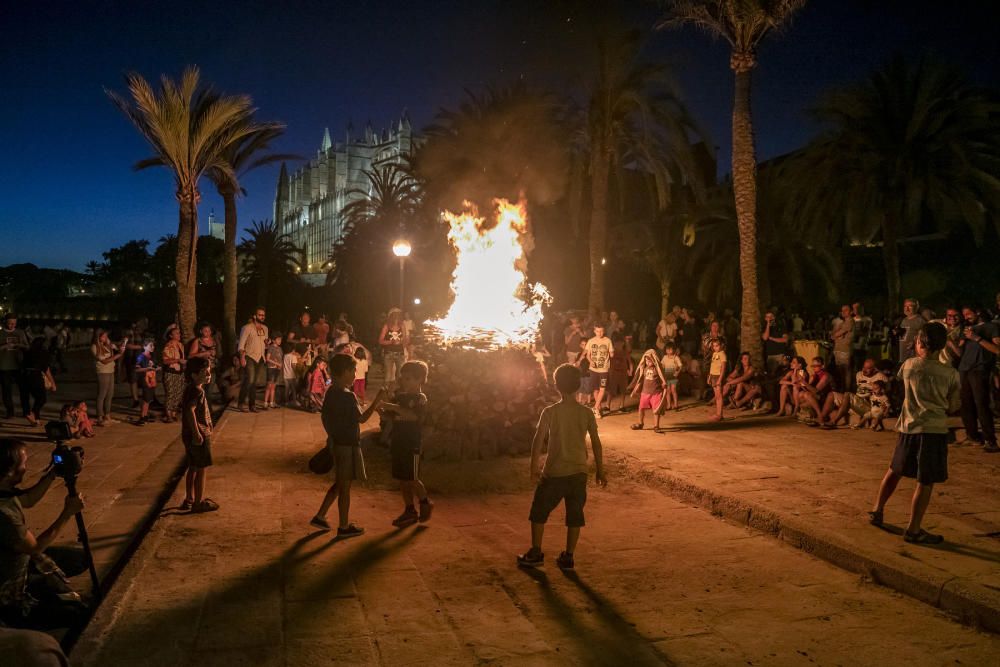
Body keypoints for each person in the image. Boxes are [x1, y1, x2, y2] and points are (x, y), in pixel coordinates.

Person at [869, 323, 960, 545]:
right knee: (925, 480)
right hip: (933, 430)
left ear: (919, 343)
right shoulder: (950, 374)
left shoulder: (909, 365)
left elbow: (902, 383)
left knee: (894, 470)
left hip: (909, 428)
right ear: (942, 346)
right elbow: (953, 406)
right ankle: (913, 528)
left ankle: (877, 510)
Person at [517, 364, 607, 570]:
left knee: (539, 511)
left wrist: (534, 468)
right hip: (578, 473)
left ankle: (536, 552)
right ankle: (568, 556)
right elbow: (596, 442)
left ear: (556, 385)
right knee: (575, 514)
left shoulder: (550, 412)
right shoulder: (586, 413)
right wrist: (600, 469)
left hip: (555, 473)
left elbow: (537, 441)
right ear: (578, 386)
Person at [0, 438, 88, 631]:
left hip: (21, 562)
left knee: (81, 559)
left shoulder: (3, 491)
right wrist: (67, 513)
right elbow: (36, 548)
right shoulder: (4, 515)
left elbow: (29, 499)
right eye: (23, 464)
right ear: (8, 472)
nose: (26, 468)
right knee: (79, 614)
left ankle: (44, 588)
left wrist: (52, 475)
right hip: (9, 594)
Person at [310, 354, 386, 537]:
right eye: (353, 370)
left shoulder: (331, 393)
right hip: (347, 446)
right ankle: (343, 526)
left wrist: (331, 436)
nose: (354, 374)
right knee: (344, 488)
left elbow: (325, 417)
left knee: (340, 483)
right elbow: (362, 418)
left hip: (337, 443)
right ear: (344, 372)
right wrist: (377, 401)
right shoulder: (347, 395)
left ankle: (320, 516)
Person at [380, 360, 433, 527]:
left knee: (412, 477)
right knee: (402, 478)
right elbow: (393, 417)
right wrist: (381, 410)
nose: (404, 381)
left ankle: (425, 502)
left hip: (412, 443)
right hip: (399, 441)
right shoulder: (400, 397)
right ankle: (409, 510)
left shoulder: (420, 399)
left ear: (420, 380)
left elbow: (413, 416)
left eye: (409, 378)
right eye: (403, 378)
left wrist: (391, 406)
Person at [953, 307, 999, 452]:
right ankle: (973, 437)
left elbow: (997, 350)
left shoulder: (992, 327)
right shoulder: (967, 328)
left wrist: (977, 338)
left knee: (981, 404)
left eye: (968, 314)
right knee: (966, 404)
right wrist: (952, 343)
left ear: (978, 312)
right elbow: (961, 352)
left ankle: (991, 441)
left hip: (980, 369)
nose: (966, 317)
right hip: (964, 369)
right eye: (964, 314)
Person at [180, 357, 219, 513]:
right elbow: (190, 411)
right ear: (194, 375)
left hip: (190, 434)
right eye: (204, 372)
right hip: (199, 434)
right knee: (201, 468)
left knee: (193, 467)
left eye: (209, 371)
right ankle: (198, 502)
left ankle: (189, 498)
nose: (208, 374)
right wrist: (197, 433)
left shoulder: (191, 389)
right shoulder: (197, 391)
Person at [819, 358, 889, 428]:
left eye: (868, 368)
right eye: (864, 367)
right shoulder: (859, 374)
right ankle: (821, 420)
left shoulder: (880, 376)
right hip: (857, 403)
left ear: (874, 369)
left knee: (847, 394)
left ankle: (834, 422)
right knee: (832, 394)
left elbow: (886, 392)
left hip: (868, 406)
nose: (864, 370)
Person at [237, 307, 269, 413]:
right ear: (255, 316)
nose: (262, 317)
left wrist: (267, 345)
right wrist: (242, 357)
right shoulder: (247, 328)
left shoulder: (265, 328)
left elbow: (265, 343)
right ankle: (241, 403)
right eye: (260, 315)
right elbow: (241, 345)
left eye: (263, 315)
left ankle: (252, 405)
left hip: (260, 357)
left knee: (254, 382)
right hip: (249, 356)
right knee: (250, 380)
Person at [91, 329, 124, 426]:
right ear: (98, 337)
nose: (106, 338)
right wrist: (118, 355)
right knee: (102, 395)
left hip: (111, 371)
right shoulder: (94, 347)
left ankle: (107, 415)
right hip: (102, 372)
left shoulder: (107, 344)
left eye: (106, 336)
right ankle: (99, 417)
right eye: (104, 336)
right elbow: (104, 361)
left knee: (110, 394)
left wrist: (121, 346)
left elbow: (117, 347)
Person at [629, 350, 667, 431]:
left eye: (650, 360)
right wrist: (634, 386)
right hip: (645, 392)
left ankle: (656, 426)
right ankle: (640, 423)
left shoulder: (658, 369)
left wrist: (664, 383)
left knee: (656, 410)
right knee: (641, 408)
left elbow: (662, 377)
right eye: (646, 360)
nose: (648, 361)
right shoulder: (644, 368)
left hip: (656, 393)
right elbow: (639, 378)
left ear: (654, 360)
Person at [0, 314, 29, 421]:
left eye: (14, 323)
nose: (12, 325)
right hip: (4, 366)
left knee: (24, 389)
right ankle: (10, 412)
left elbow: (27, 347)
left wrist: (21, 345)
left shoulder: (20, 332)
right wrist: (4, 346)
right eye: (10, 323)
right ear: (5, 322)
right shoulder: (1, 333)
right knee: (6, 390)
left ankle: (26, 411)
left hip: (19, 365)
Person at [22, 338, 55, 427]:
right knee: (41, 398)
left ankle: (35, 418)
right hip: (35, 376)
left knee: (25, 397)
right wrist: (53, 383)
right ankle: (32, 413)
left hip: (24, 375)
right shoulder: (43, 353)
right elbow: (46, 369)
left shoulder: (28, 352)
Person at [584, 324, 613, 418]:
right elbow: (588, 355)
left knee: (602, 389)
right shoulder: (591, 341)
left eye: (601, 331)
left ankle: (595, 408)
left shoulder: (608, 341)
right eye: (597, 331)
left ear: (604, 331)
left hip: (604, 369)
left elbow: (611, 354)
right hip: (593, 369)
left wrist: (612, 353)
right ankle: (598, 408)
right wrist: (591, 361)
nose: (600, 333)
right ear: (594, 331)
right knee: (595, 389)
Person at [160, 325, 185, 423]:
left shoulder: (181, 345)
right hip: (170, 372)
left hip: (180, 372)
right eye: (177, 333)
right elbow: (165, 361)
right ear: (171, 335)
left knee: (178, 393)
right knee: (170, 393)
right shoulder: (168, 346)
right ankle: (168, 414)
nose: (179, 335)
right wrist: (178, 360)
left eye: (179, 333)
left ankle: (173, 413)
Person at [798, 357, 833, 425]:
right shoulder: (814, 375)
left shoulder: (825, 376)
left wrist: (804, 383)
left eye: (816, 366)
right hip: (818, 397)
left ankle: (820, 415)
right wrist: (802, 384)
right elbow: (808, 389)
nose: (814, 368)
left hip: (827, 397)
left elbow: (816, 391)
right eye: (812, 366)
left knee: (807, 395)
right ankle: (811, 416)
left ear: (822, 366)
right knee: (801, 394)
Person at [187, 323, 219, 398]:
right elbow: (190, 356)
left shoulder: (214, 341)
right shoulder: (197, 341)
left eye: (209, 331)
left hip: (212, 368)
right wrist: (204, 353)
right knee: (201, 390)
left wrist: (215, 354)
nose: (207, 333)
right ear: (201, 331)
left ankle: (208, 408)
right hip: (201, 369)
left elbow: (218, 354)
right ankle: (200, 407)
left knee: (209, 391)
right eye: (205, 331)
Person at [379, 309, 408, 385]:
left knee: (400, 375)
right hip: (389, 353)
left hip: (400, 353)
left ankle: (397, 393)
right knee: (388, 375)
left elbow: (405, 339)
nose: (397, 318)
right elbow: (380, 341)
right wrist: (391, 342)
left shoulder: (402, 326)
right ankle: (386, 393)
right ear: (391, 316)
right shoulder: (386, 326)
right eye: (395, 315)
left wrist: (401, 341)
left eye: (398, 315)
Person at [133, 339, 158, 426]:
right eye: (150, 345)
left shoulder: (151, 356)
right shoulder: (140, 357)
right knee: (145, 398)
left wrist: (156, 368)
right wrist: (147, 369)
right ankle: (142, 416)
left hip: (152, 379)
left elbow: (153, 366)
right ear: (144, 347)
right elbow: (137, 369)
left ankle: (145, 415)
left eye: (153, 345)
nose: (153, 347)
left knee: (149, 399)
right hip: (145, 380)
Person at [831, 304, 855, 392]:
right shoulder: (843, 322)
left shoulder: (850, 321)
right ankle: (843, 389)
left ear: (851, 312)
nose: (843, 312)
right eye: (842, 310)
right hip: (839, 349)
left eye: (846, 310)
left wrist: (835, 335)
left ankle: (847, 390)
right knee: (841, 371)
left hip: (845, 350)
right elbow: (835, 332)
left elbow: (838, 333)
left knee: (846, 371)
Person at [896, 298, 926, 363]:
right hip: (903, 357)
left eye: (910, 306)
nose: (906, 309)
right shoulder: (904, 320)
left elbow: (925, 337)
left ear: (916, 308)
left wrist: (915, 342)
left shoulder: (920, 321)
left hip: (913, 358)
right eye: (905, 306)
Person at [607, 336, 631, 412]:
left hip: (623, 373)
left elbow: (630, 362)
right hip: (613, 373)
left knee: (623, 390)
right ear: (613, 344)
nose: (618, 345)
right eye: (616, 343)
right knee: (611, 390)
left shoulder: (625, 352)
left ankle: (622, 405)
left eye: (620, 343)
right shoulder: (611, 352)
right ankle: (607, 405)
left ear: (623, 343)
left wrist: (630, 370)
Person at [761, 311, 788, 376]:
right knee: (772, 374)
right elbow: (765, 338)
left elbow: (785, 339)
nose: (769, 318)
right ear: (765, 318)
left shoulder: (781, 326)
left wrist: (772, 338)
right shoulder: (763, 328)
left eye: (771, 316)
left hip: (781, 354)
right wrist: (768, 324)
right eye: (767, 317)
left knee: (783, 374)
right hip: (770, 356)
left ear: (774, 317)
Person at [706, 338, 726, 421]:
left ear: (721, 346)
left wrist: (720, 379)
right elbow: (712, 366)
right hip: (713, 376)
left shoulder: (722, 354)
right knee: (716, 396)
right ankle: (718, 413)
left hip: (718, 376)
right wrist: (709, 377)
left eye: (717, 346)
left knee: (719, 396)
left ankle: (720, 414)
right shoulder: (714, 354)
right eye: (714, 346)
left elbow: (723, 368)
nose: (715, 347)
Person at [264, 333, 284, 410]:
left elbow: (280, 358)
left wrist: (280, 366)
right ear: (273, 340)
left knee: (273, 386)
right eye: (278, 339)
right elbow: (267, 358)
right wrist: (277, 364)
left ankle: (271, 403)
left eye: (280, 339)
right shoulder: (271, 348)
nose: (280, 341)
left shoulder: (280, 349)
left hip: (277, 369)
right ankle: (265, 403)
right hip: (271, 368)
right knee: (269, 386)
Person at [660, 343, 682, 411]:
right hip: (666, 377)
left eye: (670, 349)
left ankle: (676, 405)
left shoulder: (676, 357)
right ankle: (669, 405)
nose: (669, 351)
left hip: (673, 377)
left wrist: (677, 372)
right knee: (668, 391)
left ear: (674, 350)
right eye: (667, 349)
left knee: (673, 390)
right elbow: (662, 366)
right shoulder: (664, 357)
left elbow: (680, 366)